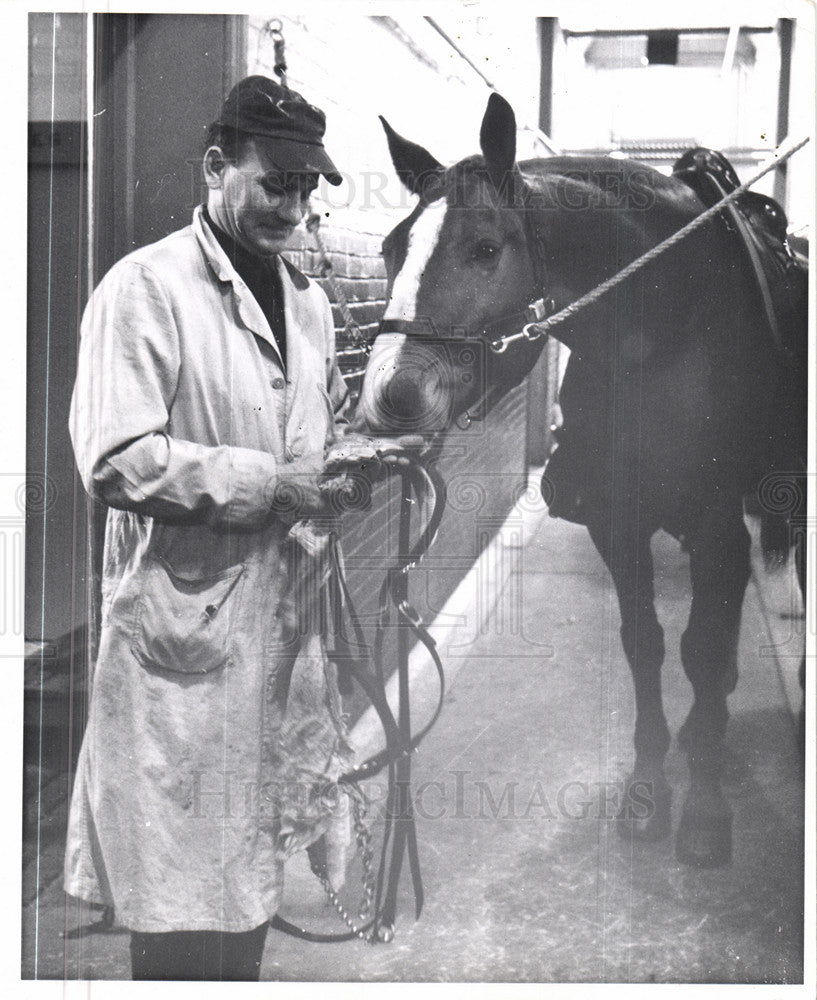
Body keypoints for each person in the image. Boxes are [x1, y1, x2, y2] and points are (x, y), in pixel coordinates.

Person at [65, 75, 372, 981]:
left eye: (307, 188)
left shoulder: (309, 304)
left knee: (248, 887)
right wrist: (273, 485)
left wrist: (362, 454)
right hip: (182, 641)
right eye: (274, 181)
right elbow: (114, 457)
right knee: (175, 900)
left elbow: (323, 428)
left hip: (281, 632)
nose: (294, 204)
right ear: (214, 167)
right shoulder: (146, 288)